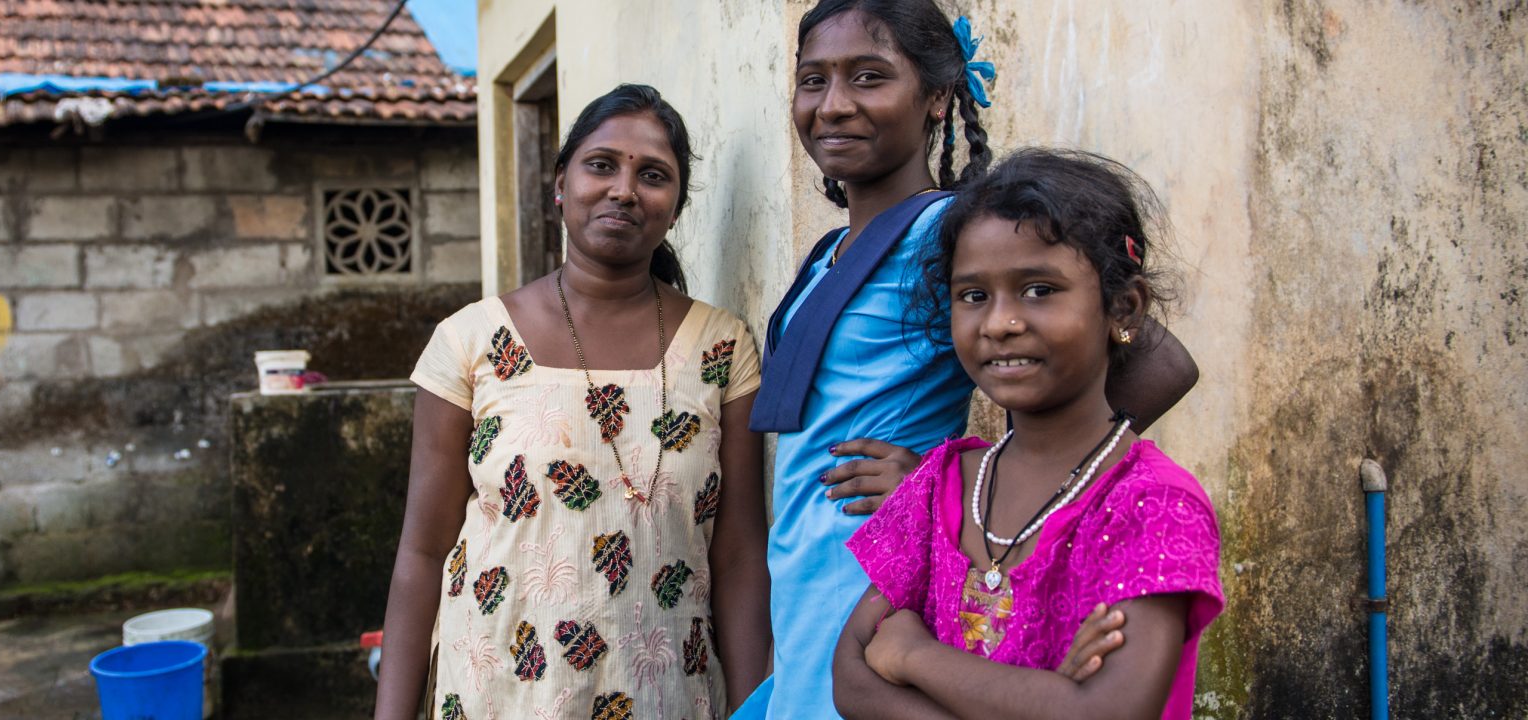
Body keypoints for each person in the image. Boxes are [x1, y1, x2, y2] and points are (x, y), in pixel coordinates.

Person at [739, 2, 1201, 716]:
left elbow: (1163, 362)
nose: (834, 105)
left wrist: (968, 482)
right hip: (812, 581)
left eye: (868, 77)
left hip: (891, 572)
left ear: (935, 96)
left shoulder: (945, 232)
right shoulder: (826, 254)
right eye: (812, 81)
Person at [375, 84, 771, 720]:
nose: (624, 189)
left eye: (652, 175)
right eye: (601, 164)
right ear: (561, 183)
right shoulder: (470, 342)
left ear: (675, 206)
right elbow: (422, 552)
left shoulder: (721, 348)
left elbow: (740, 553)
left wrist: (761, 711)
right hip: (497, 692)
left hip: (666, 692)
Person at [831, 148, 1223, 719]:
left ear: (1124, 309)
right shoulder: (939, 484)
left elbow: (1107, 712)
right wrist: (1043, 701)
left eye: (1039, 290)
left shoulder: (1152, 504)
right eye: (974, 296)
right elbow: (851, 679)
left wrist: (916, 657)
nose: (999, 323)